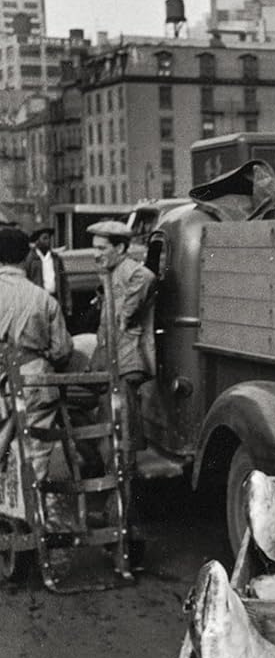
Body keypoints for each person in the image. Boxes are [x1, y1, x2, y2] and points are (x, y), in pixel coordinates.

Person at [88, 221, 157, 552]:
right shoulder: (110, 274)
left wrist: (126, 313)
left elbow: (148, 278)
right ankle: (116, 520)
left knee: (123, 449)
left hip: (125, 367)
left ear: (121, 248)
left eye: (102, 247)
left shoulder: (132, 273)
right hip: (110, 368)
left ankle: (127, 531)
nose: (96, 253)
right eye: (96, 246)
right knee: (110, 446)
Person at [0, 226, 74, 484]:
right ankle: (30, 516)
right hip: (35, 382)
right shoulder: (44, 299)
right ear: (24, 257)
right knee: (34, 456)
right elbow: (62, 350)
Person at [25, 227, 70, 315]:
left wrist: (67, 302)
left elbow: (64, 281)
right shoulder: (31, 259)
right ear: (37, 241)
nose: (48, 241)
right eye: (45, 238)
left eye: (49, 238)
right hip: (38, 300)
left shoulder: (55, 258)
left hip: (55, 297)